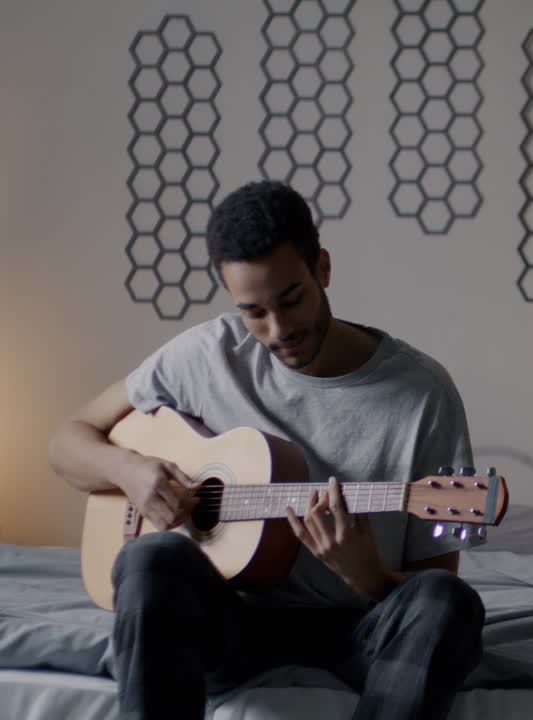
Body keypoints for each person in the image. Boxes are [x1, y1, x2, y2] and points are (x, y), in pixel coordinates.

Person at [47, 180, 486, 720]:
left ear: (322, 269)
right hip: (228, 621)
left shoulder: (423, 394)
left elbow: (438, 576)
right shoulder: (206, 356)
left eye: (292, 299)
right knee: (148, 555)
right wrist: (132, 470)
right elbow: (68, 440)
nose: (278, 330)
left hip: (358, 632)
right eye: (253, 311)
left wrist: (368, 575)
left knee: (449, 602)